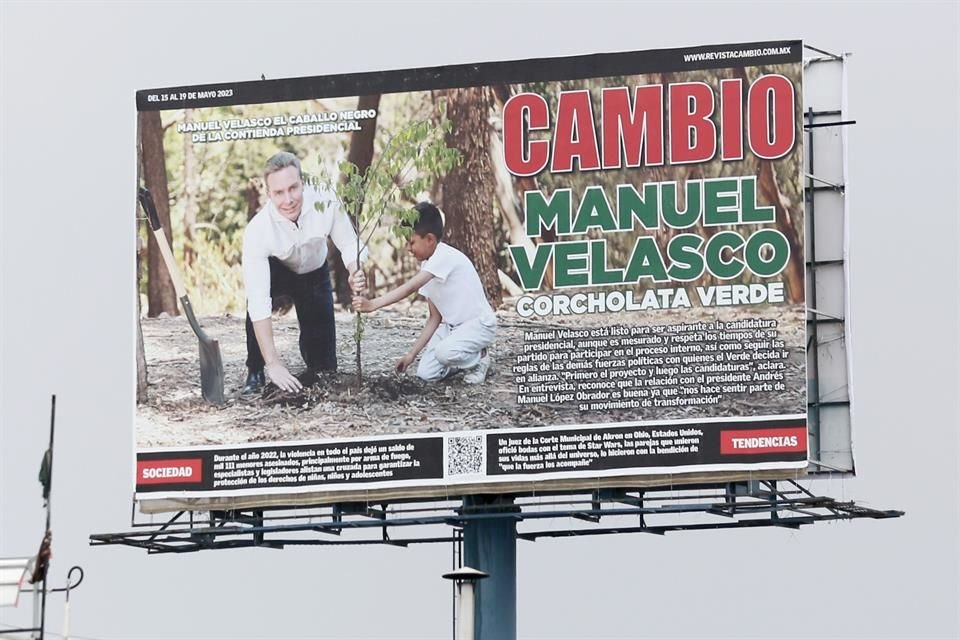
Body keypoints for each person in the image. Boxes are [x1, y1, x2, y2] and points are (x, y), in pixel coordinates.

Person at [241, 151, 366, 394]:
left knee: (325, 369)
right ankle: (255, 369)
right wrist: (273, 364)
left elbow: (350, 244)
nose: (288, 199)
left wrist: (355, 269)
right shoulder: (258, 231)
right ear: (269, 194)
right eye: (279, 192)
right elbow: (258, 302)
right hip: (278, 270)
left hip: (314, 272)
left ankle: (314, 362)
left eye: (293, 188)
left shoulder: (326, 200)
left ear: (303, 183)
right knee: (256, 303)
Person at [352, 202, 496, 384]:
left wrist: (373, 305)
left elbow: (410, 288)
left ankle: (480, 359)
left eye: (411, 242)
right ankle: (457, 360)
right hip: (452, 329)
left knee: (444, 353)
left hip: (479, 325)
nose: (408, 248)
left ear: (429, 239)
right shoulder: (428, 265)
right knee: (426, 374)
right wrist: (411, 355)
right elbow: (434, 318)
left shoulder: (444, 256)